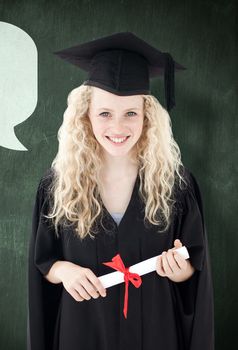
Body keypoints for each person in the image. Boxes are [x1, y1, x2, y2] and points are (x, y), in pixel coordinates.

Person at [27, 32, 215, 350]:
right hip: (82, 332)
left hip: (156, 332)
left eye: (131, 113)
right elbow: (43, 264)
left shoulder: (176, 185)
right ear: (85, 117)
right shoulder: (58, 185)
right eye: (104, 114)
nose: (118, 127)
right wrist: (65, 271)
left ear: (147, 118)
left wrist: (179, 270)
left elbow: (194, 273)